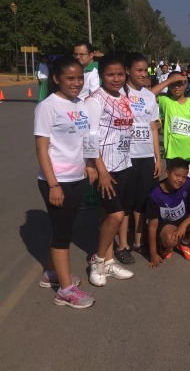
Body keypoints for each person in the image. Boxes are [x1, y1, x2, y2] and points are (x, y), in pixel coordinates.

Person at [35, 56, 96, 308]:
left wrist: (90, 165)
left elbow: (86, 138)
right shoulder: (48, 106)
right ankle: (65, 290)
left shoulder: (80, 104)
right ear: (56, 78)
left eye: (80, 78)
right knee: (63, 233)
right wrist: (53, 185)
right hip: (57, 180)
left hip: (77, 177)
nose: (76, 83)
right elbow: (41, 148)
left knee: (65, 227)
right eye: (70, 78)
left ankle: (52, 273)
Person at [85, 54, 135, 286]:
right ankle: (97, 260)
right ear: (101, 75)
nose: (116, 79)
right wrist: (101, 171)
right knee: (116, 215)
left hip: (123, 163)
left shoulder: (123, 96)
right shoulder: (95, 100)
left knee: (109, 214)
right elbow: (90, 137)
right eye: (110, 74)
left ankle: (108, 260)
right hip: (105, 167)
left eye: (120, 74)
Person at [115, 53, 161, 264]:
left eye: (145, 70)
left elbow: (153, 128)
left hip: (146, 156)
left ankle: (138, 241)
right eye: (139, 70)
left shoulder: (149, 96)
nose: (143, 74)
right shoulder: (119, 93)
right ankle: (123, 245)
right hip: (125, 156)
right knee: (125, 202)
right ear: (128, 71)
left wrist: (157, 158)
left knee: (142, 201)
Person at [146, 158, 190, 267]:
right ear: (167, 173)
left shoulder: (187, 184)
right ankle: (164, 246)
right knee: (170, 240)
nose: (181, 180)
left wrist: (183, 225)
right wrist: (153, 253)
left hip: (183, 220)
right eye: (177, 175)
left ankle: (184, 242)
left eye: (184, 177)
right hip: (166, 225)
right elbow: (152, 225)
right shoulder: (155, 194)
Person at [152, 71, 190, 162]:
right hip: (172, 153)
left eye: (179, 84)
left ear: (185, 84)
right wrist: (168, 81)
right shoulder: (166, 101)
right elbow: (148, 96)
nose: (176, 87)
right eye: (173, 84)